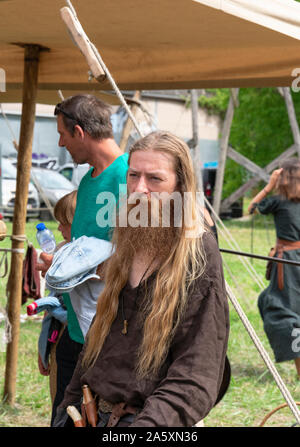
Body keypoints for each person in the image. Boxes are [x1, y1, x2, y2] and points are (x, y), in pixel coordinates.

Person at [54, 130, 230, 427]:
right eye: (133, 176)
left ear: (180, 186)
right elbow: (99, 339)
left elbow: (196, 371)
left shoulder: (198, 251)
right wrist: (68, 405)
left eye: (155, 179)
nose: (139, 189)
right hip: (94, 412)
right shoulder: (129, 234)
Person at [37, 94, 129, 424]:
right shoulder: (87, 181)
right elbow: (84, 250)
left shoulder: (130, 178)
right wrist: (60, 266)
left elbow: (138, 262)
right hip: (76, 330)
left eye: (62, 134)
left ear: (79, 132)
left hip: (109, 336)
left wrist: (85, 271)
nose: (61, 143)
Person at [248, 159, 300, 378]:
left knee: (284, 312)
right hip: (291, 261)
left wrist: (268, 186)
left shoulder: (278, 201)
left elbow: (251, 208)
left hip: (288, 264)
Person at [33, 190, 77, 406]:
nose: (58, 229)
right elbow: (53, 305)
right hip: (59, 337)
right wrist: (44, 350)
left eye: (64, 223)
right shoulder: (60, 250)